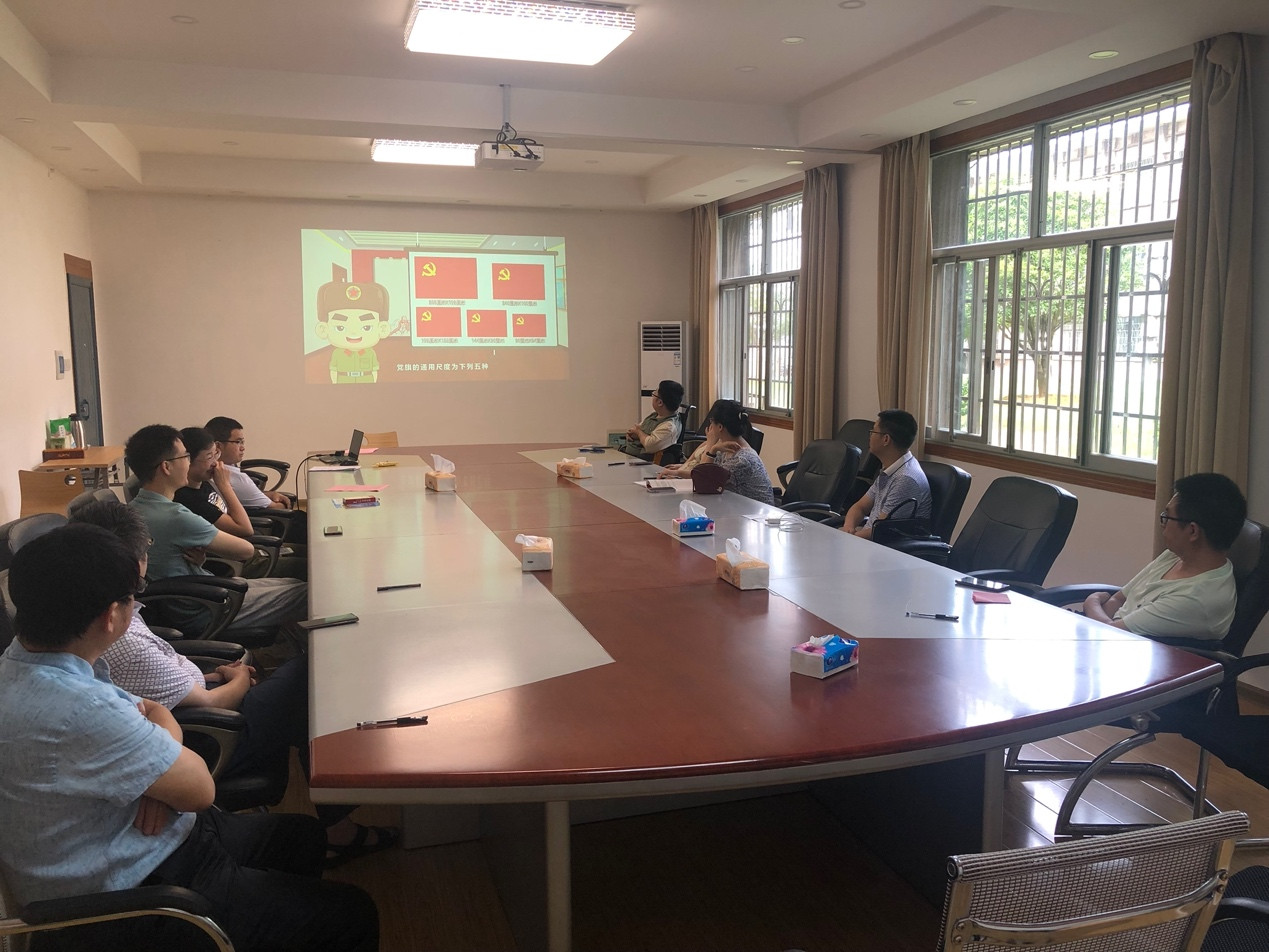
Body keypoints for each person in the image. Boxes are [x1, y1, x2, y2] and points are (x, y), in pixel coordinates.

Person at [0, 523, 378, 951]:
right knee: (354, 913)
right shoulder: (79, 707)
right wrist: (160, 764)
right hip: (138, 897)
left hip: (143, 838)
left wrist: (155, 776)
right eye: (133, 597)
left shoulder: (26, 664)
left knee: (303, 838)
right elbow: (198, 790)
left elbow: (153, 712)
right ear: (111, 615)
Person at [70, 499, 395, 866]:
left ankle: (337, 816)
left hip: (194, 700)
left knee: (304, 689)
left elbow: (157, 685)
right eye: (146, 552)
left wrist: (208, 674)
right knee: (310, 677)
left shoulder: (103, 607)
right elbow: (208, 705)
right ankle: (342, 824)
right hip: (212, 735)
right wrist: (239, 679)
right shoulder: (121, 636)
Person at [125, 424, 307, 633]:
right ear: (166, 467)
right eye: (185, 456)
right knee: (306, 593)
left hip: (192, 595)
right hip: (208, 606)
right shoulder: (176, 516)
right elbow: (246, 550)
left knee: (294, 582)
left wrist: (200, 559)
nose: (189, 462)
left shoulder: (132, 509)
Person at [1083, 473, 1247, 641]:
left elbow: (1110, 633)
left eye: (1167, 518)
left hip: (1132, 650)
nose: (1163, 525)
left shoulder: (1195, 599)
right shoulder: (1175, 556)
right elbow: (1118, 599)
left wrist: (1092, 601)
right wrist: (1100, 618)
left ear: (1192, 531)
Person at [177, 426, 306, 579]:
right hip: (237, 562)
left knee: (311, 551)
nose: (216, 463)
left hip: (250, 548)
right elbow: (245, 529)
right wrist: (224, 485)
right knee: (309, 566)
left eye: (216, 454)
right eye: (209, 457)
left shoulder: (203, 483)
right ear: (188, 461)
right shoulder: (190, 499)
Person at [842, 410, 931, 540]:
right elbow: (860, 507)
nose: (869, 437)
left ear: (886, 439)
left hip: (885, 546)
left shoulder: (905, 479)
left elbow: (880, 531)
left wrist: (848, 538)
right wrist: (848, 527)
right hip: (867, 539)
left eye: (873, 432)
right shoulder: (891, 468)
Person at [693, 399, 774, 504]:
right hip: (737, 507)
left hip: (754, 512)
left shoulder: (741, 459)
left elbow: (702, 482)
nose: (710, 426)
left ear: (720, 427)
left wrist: (711, 446)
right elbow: (702, 473)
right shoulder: (725, 448)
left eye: (712, 421)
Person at [617, 379, 684, 457]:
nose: (652, 395)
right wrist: (632, 433)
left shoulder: (669, 427)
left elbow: (649, 445)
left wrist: (638, 432)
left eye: (654, 394)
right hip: (628, 456)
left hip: (642, 461)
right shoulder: (655, 415)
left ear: (660, 402)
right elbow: (638, 429)